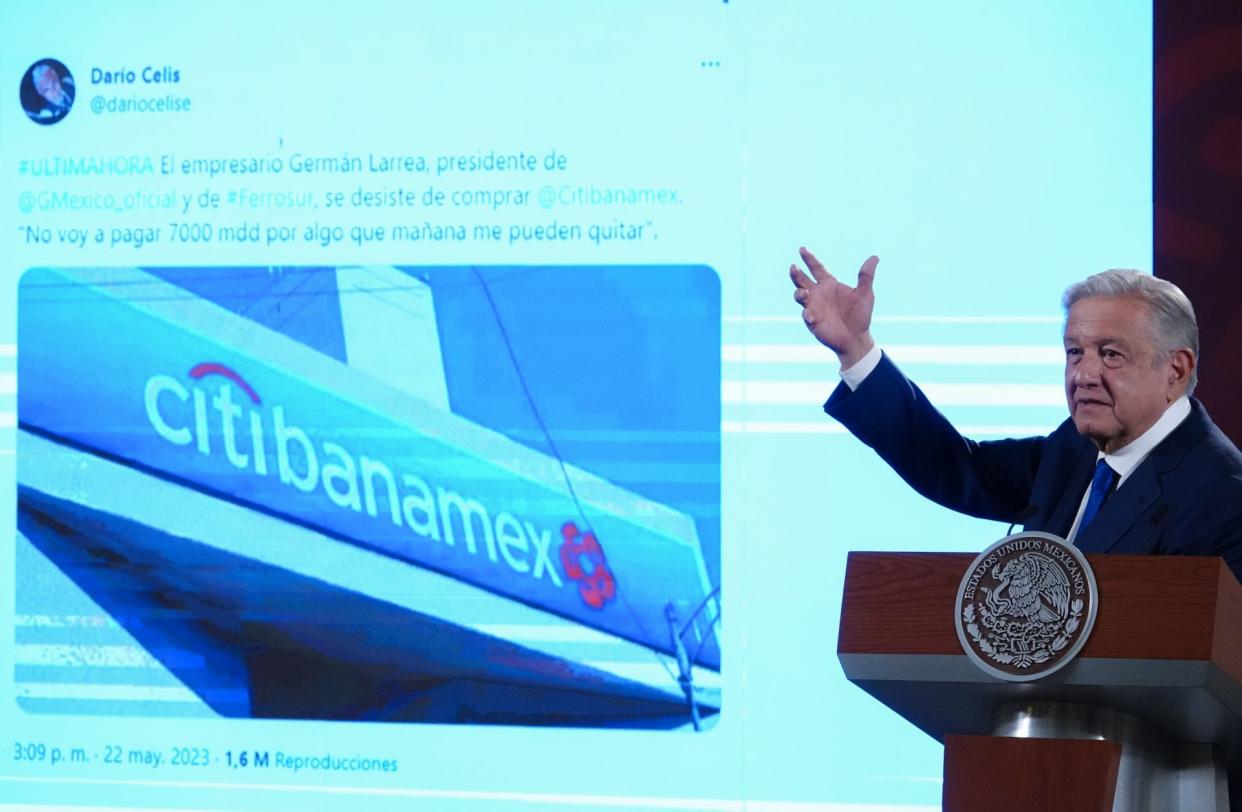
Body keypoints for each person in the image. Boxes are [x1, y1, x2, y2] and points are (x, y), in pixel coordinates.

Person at [789, 247, 1242, 581]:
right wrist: (856, 350)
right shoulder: (1076, 448)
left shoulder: (1221, 494)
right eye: (1074, 352)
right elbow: (957, 467)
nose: (1083, 374)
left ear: (1175, 371)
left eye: (1110, 354)